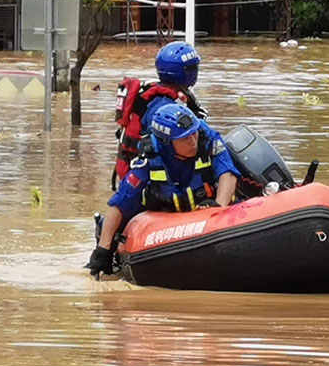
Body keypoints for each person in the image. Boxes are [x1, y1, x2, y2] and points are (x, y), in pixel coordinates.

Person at [87, 103, 240, 278]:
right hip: (165, 215)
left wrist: (218, 207)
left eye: (193, 133)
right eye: (184, 138)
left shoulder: (209, 138)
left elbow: (227, 172)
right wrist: (103, 250)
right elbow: (120, 201)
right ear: (167, 143)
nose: (193, 142)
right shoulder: (149, 157)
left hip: (208, 209)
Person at [113, 41, 208, 186]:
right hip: (149, 174)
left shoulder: (162, 94)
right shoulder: (162, 105)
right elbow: (161, 145)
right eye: (193, 68)